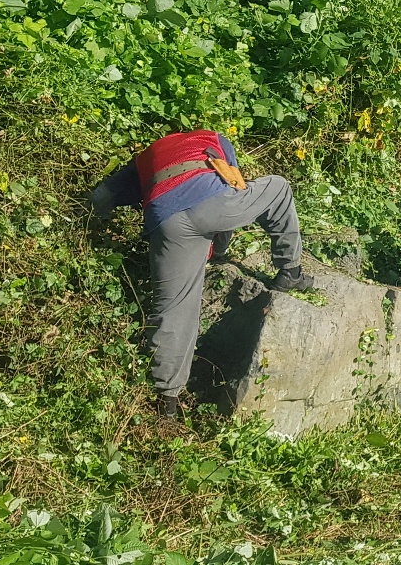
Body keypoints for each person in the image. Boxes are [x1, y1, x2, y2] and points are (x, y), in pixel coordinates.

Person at [88, 129, 314, 419]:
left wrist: (80, 221)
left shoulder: (146, 157)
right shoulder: (214, 138)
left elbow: (103, 195)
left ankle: (166, 401)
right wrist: (219, 246)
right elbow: (232, 183)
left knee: (175, 307)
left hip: (166, 219)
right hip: (211, 206)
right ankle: (290, 271)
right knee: (279, 187)